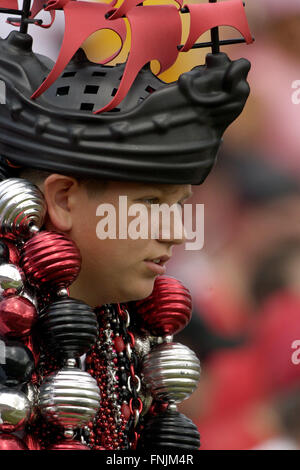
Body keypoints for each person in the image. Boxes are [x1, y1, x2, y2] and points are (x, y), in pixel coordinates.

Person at [0, 0, 251, 451]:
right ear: (63, 198)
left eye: (180, 205)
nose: (175, 231)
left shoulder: (125, 331)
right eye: (150, 202)